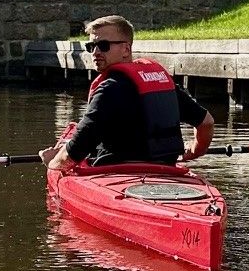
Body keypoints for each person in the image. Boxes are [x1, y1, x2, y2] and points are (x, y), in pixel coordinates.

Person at [41, 15, 215, 177]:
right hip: (167, 170)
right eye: (91, 47)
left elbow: (73, 154)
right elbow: (206, 122)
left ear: (126, 49)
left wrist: (52, 164)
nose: (95, 52)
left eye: (103, 46)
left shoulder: (108, 90)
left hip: (115, 174)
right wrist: (193, 151)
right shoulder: (161, 82)